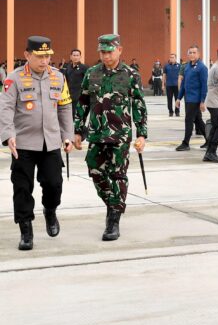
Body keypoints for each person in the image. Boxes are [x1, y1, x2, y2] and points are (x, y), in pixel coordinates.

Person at [0, 36, 74, 250]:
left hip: (50, 142)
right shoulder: (13, 79)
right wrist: (8, 135)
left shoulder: (58, 78)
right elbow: (5, 109)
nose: (44, 61)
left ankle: (50, 210)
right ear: (27, 55)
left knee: (54, 184)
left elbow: (65, 107)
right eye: (40, 56)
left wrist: (67, 134)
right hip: (22, 143)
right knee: (22, 188)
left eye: (47, 56)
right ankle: (26, 229)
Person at [73, 34, 147, 241]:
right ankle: (114, 204)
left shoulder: (131, 74)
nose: (106, 56)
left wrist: (142, 134)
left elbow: (138, 105)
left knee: (117, 175)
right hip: (97, 134)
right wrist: (78, 130)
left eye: (109, 51)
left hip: (120, 135)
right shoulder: (92, 73)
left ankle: (113, 219)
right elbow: (83, 102)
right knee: (95, 172)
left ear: (119, 50)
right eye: (102, 52)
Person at [175, 45, 208, 151]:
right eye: (190, 53)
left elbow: (204, 85)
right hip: (188, 98)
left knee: (189, 120)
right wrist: (179, 98)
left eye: (194, 52)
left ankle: (186, 143)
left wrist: (202, 101)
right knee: (198, 120)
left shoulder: (202, 68)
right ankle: (209, 140)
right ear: (188, 54)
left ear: (198, 54)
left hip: (195, 99)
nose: (192, 55)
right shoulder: (187, 66)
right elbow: (184, 83)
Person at [60, 49, 89, 119]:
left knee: (79, 116)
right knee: (70, 116)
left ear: (80, 57)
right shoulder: (68, 67)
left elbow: (88, 81)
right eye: (74, 55)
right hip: (69, 96)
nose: (76, 57)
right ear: (71, 57)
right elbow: (65, 80)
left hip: (80, 97)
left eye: (77, 55)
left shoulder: (84, 68)